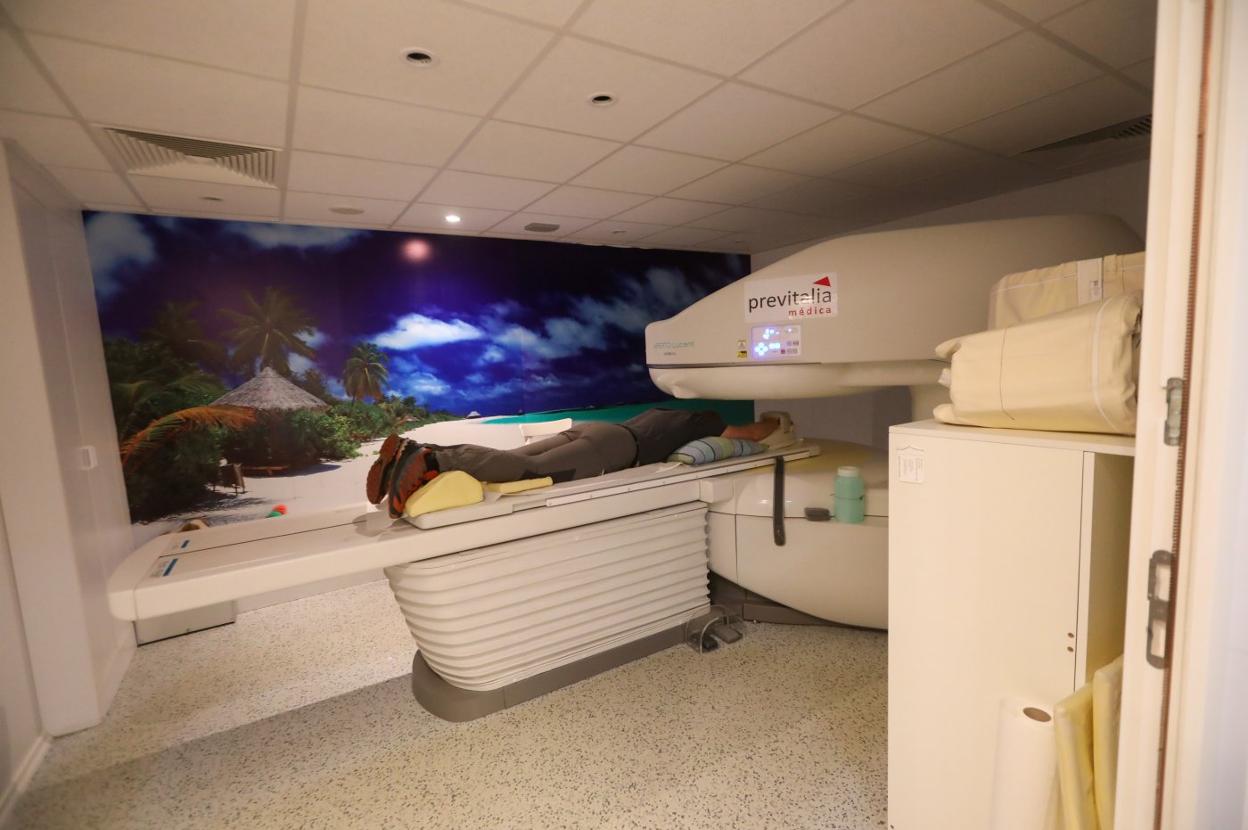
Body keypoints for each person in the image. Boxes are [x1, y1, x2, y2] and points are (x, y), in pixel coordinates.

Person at [366, 408, 781, 518]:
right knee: (529, 473)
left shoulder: (665, 413)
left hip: (596, 429)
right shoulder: (705, 420)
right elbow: (750, 435)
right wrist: (776, 422)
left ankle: (416, 451)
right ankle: (433, 459)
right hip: (616, 449)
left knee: (512, 458)